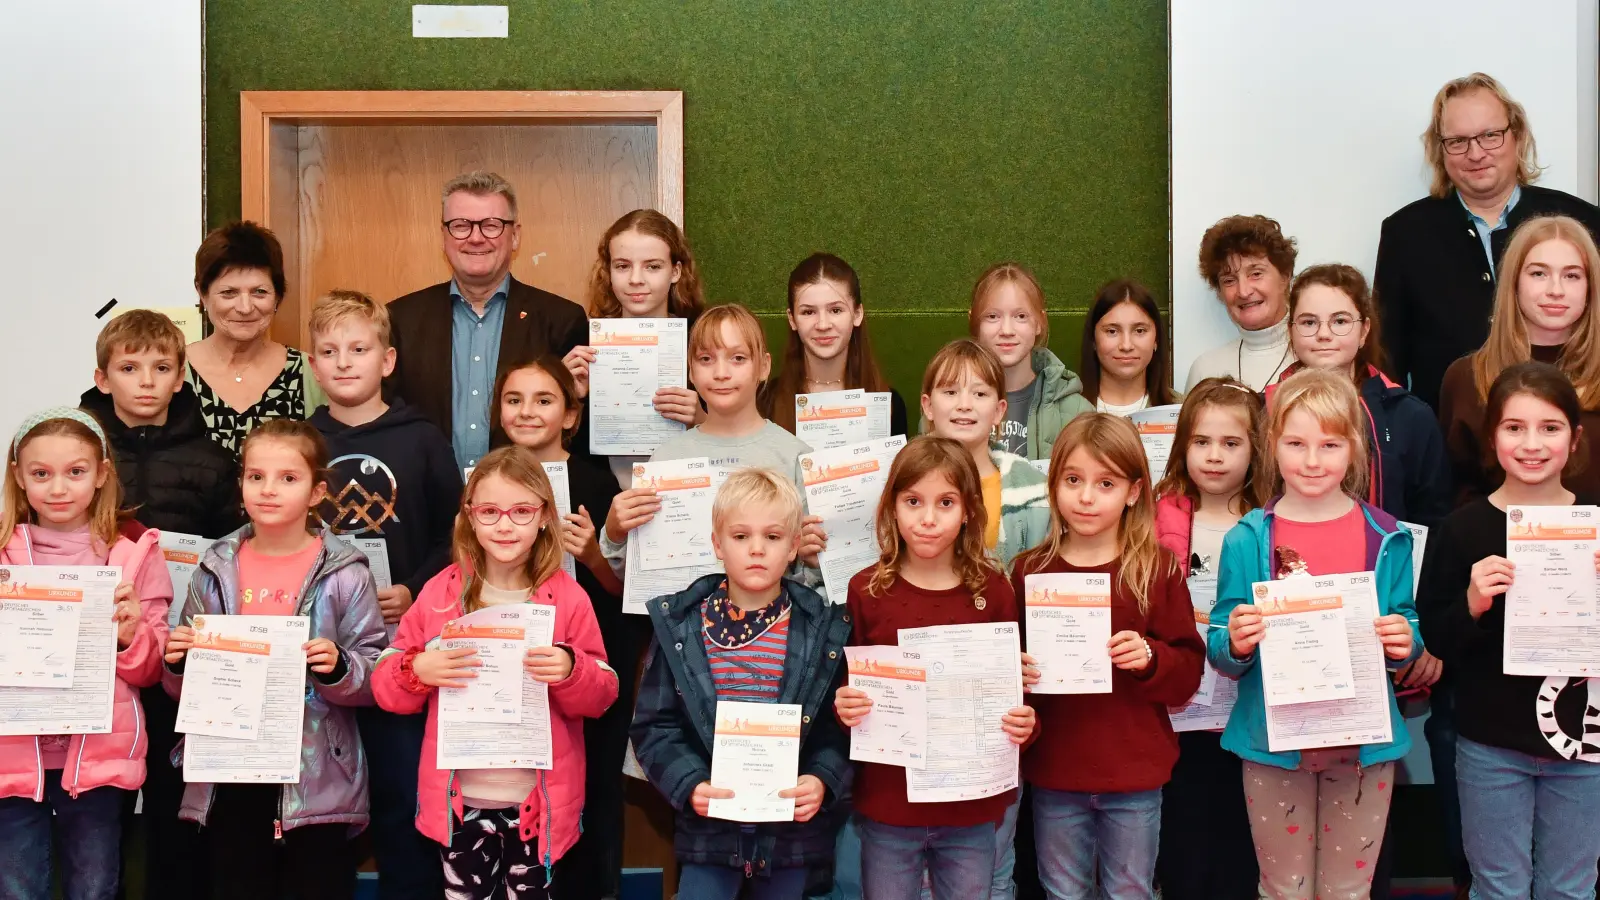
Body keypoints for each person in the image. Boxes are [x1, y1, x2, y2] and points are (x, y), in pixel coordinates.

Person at [1209, 368, 1422, 900]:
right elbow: (1220, 637)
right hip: (1273, 745)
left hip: (1361, 745)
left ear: (1354, 448)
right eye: (1296, 443)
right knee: (1283, 888)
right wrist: (1235, 640)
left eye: (1329, 445)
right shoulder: (1248, 539)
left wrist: (1406, 642)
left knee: (1349, 890)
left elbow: (1407, 624)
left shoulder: (1387, 537)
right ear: (1271, 445)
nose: (1311, 460)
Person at [372, 446, 618, 900]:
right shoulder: (439, 593)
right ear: (469, 515)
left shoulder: (567, 598)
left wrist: (570, 668)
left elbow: (604, 693)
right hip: (460, 805)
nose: (505, 525)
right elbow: (386, 684)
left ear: (545, 515)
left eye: (521, 511)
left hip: (538, 807)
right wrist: (418, 669)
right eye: (489, 511)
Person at [163, 420, 387, 900]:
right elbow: (178, 687)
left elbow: (375, 673)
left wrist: (340, 666)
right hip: (230, 773)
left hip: (316, 774)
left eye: (288, 478)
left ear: (316, 491)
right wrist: (179, 663)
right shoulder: (214, 566)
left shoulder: (345, 572)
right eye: (255, 476)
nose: (268, 490)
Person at [1418, 361, 1600, 900]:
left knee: (1571, 888)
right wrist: (1472, 604)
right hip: (1490, 745)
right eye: (1514, 427)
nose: (1532, 444)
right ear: (1492, 434)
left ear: (1576, 436)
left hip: (1582, 744)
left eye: (1550, 428)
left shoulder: (1595, 525)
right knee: (1498, 887)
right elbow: (1433, 640)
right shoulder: (1462, 529)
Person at [79, 310, 241, 900]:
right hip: (100, 653)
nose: (145, 380)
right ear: (103, 378)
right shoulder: (80, 451)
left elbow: (233, 553)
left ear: (181, 378)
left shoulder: (215, 461)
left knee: (178, 793)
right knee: (101, 798)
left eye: (162, 367)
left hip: (181, 653)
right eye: (129, 367)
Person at [305, 290, 461, 900]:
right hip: (320, 657)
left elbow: (458, 533)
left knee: (402, 799)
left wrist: (412, 591)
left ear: (388, 360)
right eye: (329, 351)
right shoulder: (300, 443)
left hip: (403, 654)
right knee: (324, 809)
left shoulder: (421, 438)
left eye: (359, 349)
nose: (345, 362)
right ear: (313, 366)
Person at [834, 436, 1038, 900]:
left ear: (968, 510)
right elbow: (845, 688)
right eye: (913, 501)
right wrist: (844, 707)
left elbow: (1016, 697)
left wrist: (1027, 722)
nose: (927, 518)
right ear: (891, 507)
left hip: (970, 806)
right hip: (890, 805)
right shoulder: (865, 590)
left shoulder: (994, 590)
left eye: (945, 502)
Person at [631, 468, 850, 899]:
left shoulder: (824, 632)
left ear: (792, 547)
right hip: (708, 835)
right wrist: (690, 784)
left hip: (792, 836)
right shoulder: (682, 630)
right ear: (717, 544)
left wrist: (822, 780)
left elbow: (841, 728)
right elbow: (654, 727)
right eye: (740, 536)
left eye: (772, 537)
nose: (756, 549)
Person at [1012, 414, 1205, 900]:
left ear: (1134, 492)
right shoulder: (1029, 571)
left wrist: (1149, 658)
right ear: (1053, 485)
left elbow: (1187, 671)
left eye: (1106, 483)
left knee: (1130, 892)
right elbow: (1006, 682)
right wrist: (1013, 671)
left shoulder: (1155, 569)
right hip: (1056, 771)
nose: (1086, 496)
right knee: (1063, 892)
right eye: (1073, 480)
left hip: (1134, 774)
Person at [0, 408, 173, 900]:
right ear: (19, 476)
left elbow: (152, 669)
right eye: (41, 474)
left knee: (95, 887)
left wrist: (128, 634)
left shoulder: (133, 552)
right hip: (10, 755)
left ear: (101, 473)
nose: (59, 488)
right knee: (16, 888)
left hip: (99, 754)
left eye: (75, 472)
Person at [490, 356, 638, 900]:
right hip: (508, 666)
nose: (527, 411)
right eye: (514, 399)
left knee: (592, 793)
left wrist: (596, 555)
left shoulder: (596, 483)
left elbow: (626, 594)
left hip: (584, 665)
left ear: (572, 415)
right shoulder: (485, 478)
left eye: (544, 400)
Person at [1376, 72, 1600, 411]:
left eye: (1490, 135)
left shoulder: (1581, 222)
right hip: (1449, 441)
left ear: (1517, 135)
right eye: (1458, 141)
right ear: (1441, 150)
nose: (1476, 153)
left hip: (1569, 437)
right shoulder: (1404, 233)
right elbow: (1386, 359)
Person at [599, 305, 820, 584]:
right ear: (690, 370)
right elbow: (638, 579)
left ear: (764, 366)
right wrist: (615, 533)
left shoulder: (795, 457)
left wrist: (809, 559)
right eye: (706, 359)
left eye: (738, 358)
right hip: (684, 625)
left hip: (772, 623)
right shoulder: (666, 459)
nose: (721, 372)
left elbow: (811, 580)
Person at [386, 171, 588, 474]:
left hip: (525, 507)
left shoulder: (561, 320)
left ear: (516, 235)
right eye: (460, 226)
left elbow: (576, 433)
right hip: (427, 505)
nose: (476, 237)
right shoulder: (399, 319)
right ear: (443, 236)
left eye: (492, 225)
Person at [1151, 377, 1265, 900]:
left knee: (1242, 851)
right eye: (1201, 442)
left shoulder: (1271, 524)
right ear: (1182, 447)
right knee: (1183, 851)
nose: (1214, 457)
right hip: (1177, 720)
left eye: (1231, 443)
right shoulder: (1155, 519)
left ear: (1255, 448)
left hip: (1247, 716)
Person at [1273, 264, 1453, 528]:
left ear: (1364, 331)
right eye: (1309, 322)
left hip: (1386, 563)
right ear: (1291, 331)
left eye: (1340, 321)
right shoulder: (1267, 409)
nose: (1324, 334)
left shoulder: (1410, 415)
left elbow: (1434, 518)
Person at [1439, 215, 1600, 502]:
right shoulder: (1466, 377)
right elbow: (1453, 494)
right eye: (1539, 273)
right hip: (1492, 544)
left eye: (1572, 275)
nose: (1556, 290)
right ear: (1514, 282)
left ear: (1591, 288)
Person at [562, 208, 706, 486]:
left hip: (684, 495)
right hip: (601, 499)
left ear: (676, 271)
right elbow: (561, 449)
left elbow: (738, 438)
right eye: (623, 266)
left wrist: (701, 420)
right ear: (609, 271)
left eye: (652, 266)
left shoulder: (702, 340)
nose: (636, 279)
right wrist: (570, 397)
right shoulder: (583, 341)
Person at [185, 222, 327, 454]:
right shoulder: (171, 372)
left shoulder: (311, 373)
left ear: (278, 296)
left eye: (259, 292)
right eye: (229, 293)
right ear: (202, 293)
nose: (244, 307)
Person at [920, 339, 1051, 568]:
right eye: (950, 392)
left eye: (980, 394)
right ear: (928, 406)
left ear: (999, 411)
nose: (964, 404)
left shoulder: (1035, 490)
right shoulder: (902, 479)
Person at [765, 252, 910, 437]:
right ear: (792, 319)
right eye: (808, 312)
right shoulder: (765, 403)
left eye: (835, 310)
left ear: (857, 314)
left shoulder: (889, 404)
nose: (823, 325)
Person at [967, 262, 1092, 460]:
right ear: (974, 322)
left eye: (1021, 316)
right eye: (992, 316)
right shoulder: (948, 404)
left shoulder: (1076, 411)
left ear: (1039, 323)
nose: (1006, 330)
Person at [1184, 215, 1297, 392]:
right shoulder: (1205, 371)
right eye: (1229, 280)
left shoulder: (1321, 355)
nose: (1244, 291)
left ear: (1285, 277)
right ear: (1219, 293)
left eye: (1256, 274)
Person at [1078, 280, 1180, 415]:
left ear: (1156, 339)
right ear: (1093, 339)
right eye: (1112, 331)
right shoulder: (1067, 413)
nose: (1126, 345)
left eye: (1139, 331)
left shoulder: (1183, 410)